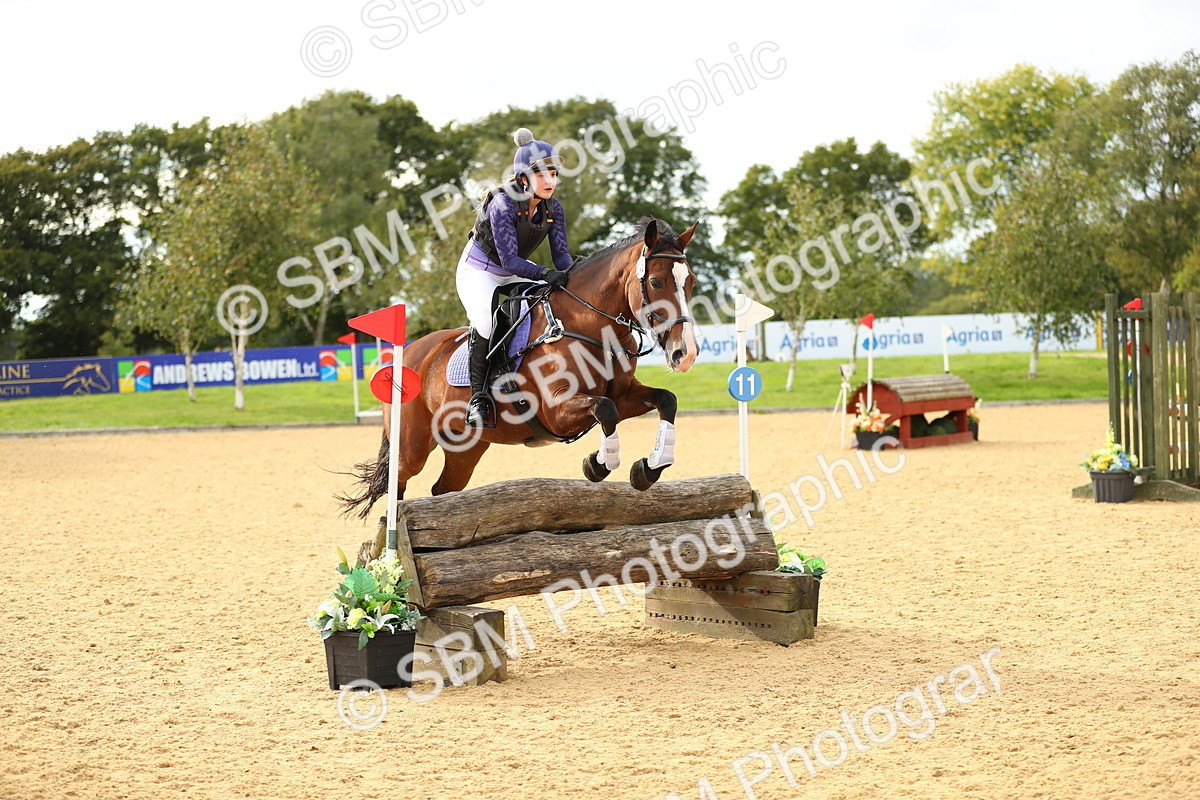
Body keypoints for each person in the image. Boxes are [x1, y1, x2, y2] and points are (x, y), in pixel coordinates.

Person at [457, 127, 574, 427]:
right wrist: (547, 273)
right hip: (479, 271)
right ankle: (478, 398)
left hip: (513, 271)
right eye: (543, 175)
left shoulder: (553, 209)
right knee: (484, 320)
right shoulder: (503, 204)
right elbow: (509, 260)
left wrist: (572, 274)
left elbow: (560, 255)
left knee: (553, 298)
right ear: (524, 179)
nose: (551, 181)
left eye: (554, 174)